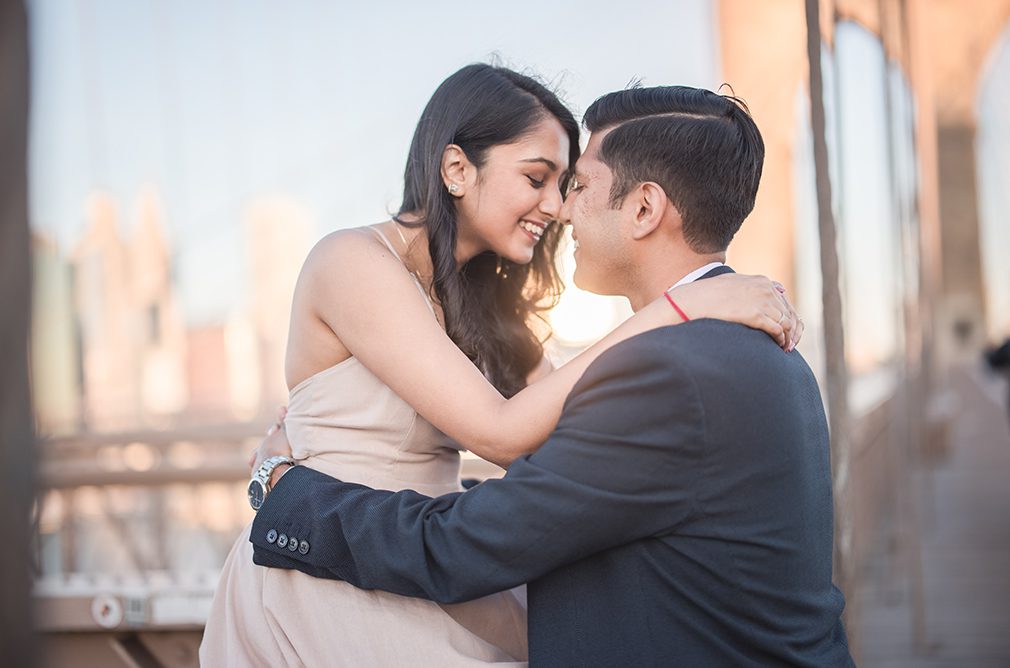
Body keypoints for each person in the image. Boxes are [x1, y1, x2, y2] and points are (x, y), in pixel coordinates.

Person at [200, 64, 799, 667]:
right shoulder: (352, 261)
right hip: (335, 569)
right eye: (537, 178)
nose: (557, 206)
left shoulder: (486, 299)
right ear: (457, 169)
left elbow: (558, 443)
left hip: (422, 557)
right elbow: (497, 429)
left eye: (567, 184)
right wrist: (678, 306)